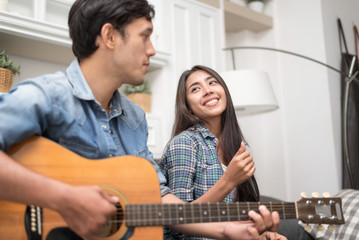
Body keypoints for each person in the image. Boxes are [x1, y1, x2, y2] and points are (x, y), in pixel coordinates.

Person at [0, 1, 280, 239]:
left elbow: (158, 198)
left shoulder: (134, 118)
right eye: (144, 36)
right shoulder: (47, 96)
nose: (152, 50)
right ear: (109, 36)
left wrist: (227, 231)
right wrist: (64, 199)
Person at [159, 65, 286, 240]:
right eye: (196, 89)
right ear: (188, 108)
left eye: (212, 83)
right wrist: (228, 181)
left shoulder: (234, 146)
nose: (207, 90)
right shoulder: (184, 143)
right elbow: (178, 221)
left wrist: (264, 234)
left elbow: (237, 219)